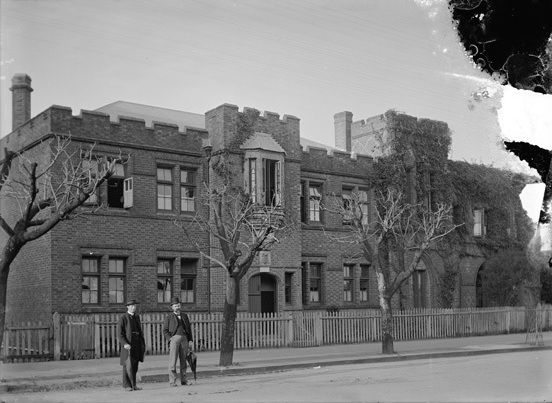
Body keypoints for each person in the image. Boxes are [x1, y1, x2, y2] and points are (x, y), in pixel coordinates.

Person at [163, 297, 193, 387]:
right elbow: (165, 330)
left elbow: (188, 329)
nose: (177, 307)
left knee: (184, 360)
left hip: (184, 339)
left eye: (179, 305)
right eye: (175, 306)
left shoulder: (185, 316)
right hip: (174, 339)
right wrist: (170, 339)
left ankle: (184, 380)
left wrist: (190, 340)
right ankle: (172, 381)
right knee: (173, 361)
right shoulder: (169, 317)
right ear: (172, 307)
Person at [117, 299, 146, 391]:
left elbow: (139, 331)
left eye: (135, 306)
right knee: (127, 365)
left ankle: (134, 385)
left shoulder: (137, 317)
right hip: (128, 344)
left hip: (137, 344)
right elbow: (120, 333)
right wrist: (125, 343)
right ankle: (127, 386)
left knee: (135, 365)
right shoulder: (123, 318)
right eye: (132, 306)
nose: (134, 307)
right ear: (128, 307)